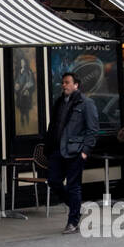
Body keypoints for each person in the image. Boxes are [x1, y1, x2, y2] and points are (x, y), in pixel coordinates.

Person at [44, 71, 99, 234]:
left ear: (76, 85)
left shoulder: (86, 103)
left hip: (75, 151)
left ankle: (73, 222)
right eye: (63, 83)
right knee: (53, 181)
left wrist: (85, 151)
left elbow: (93, 129)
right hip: (57, 151)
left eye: (68, 82)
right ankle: (76, 207)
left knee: (73, 186)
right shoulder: (59, 102)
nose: (64, 85)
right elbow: (53, 126)